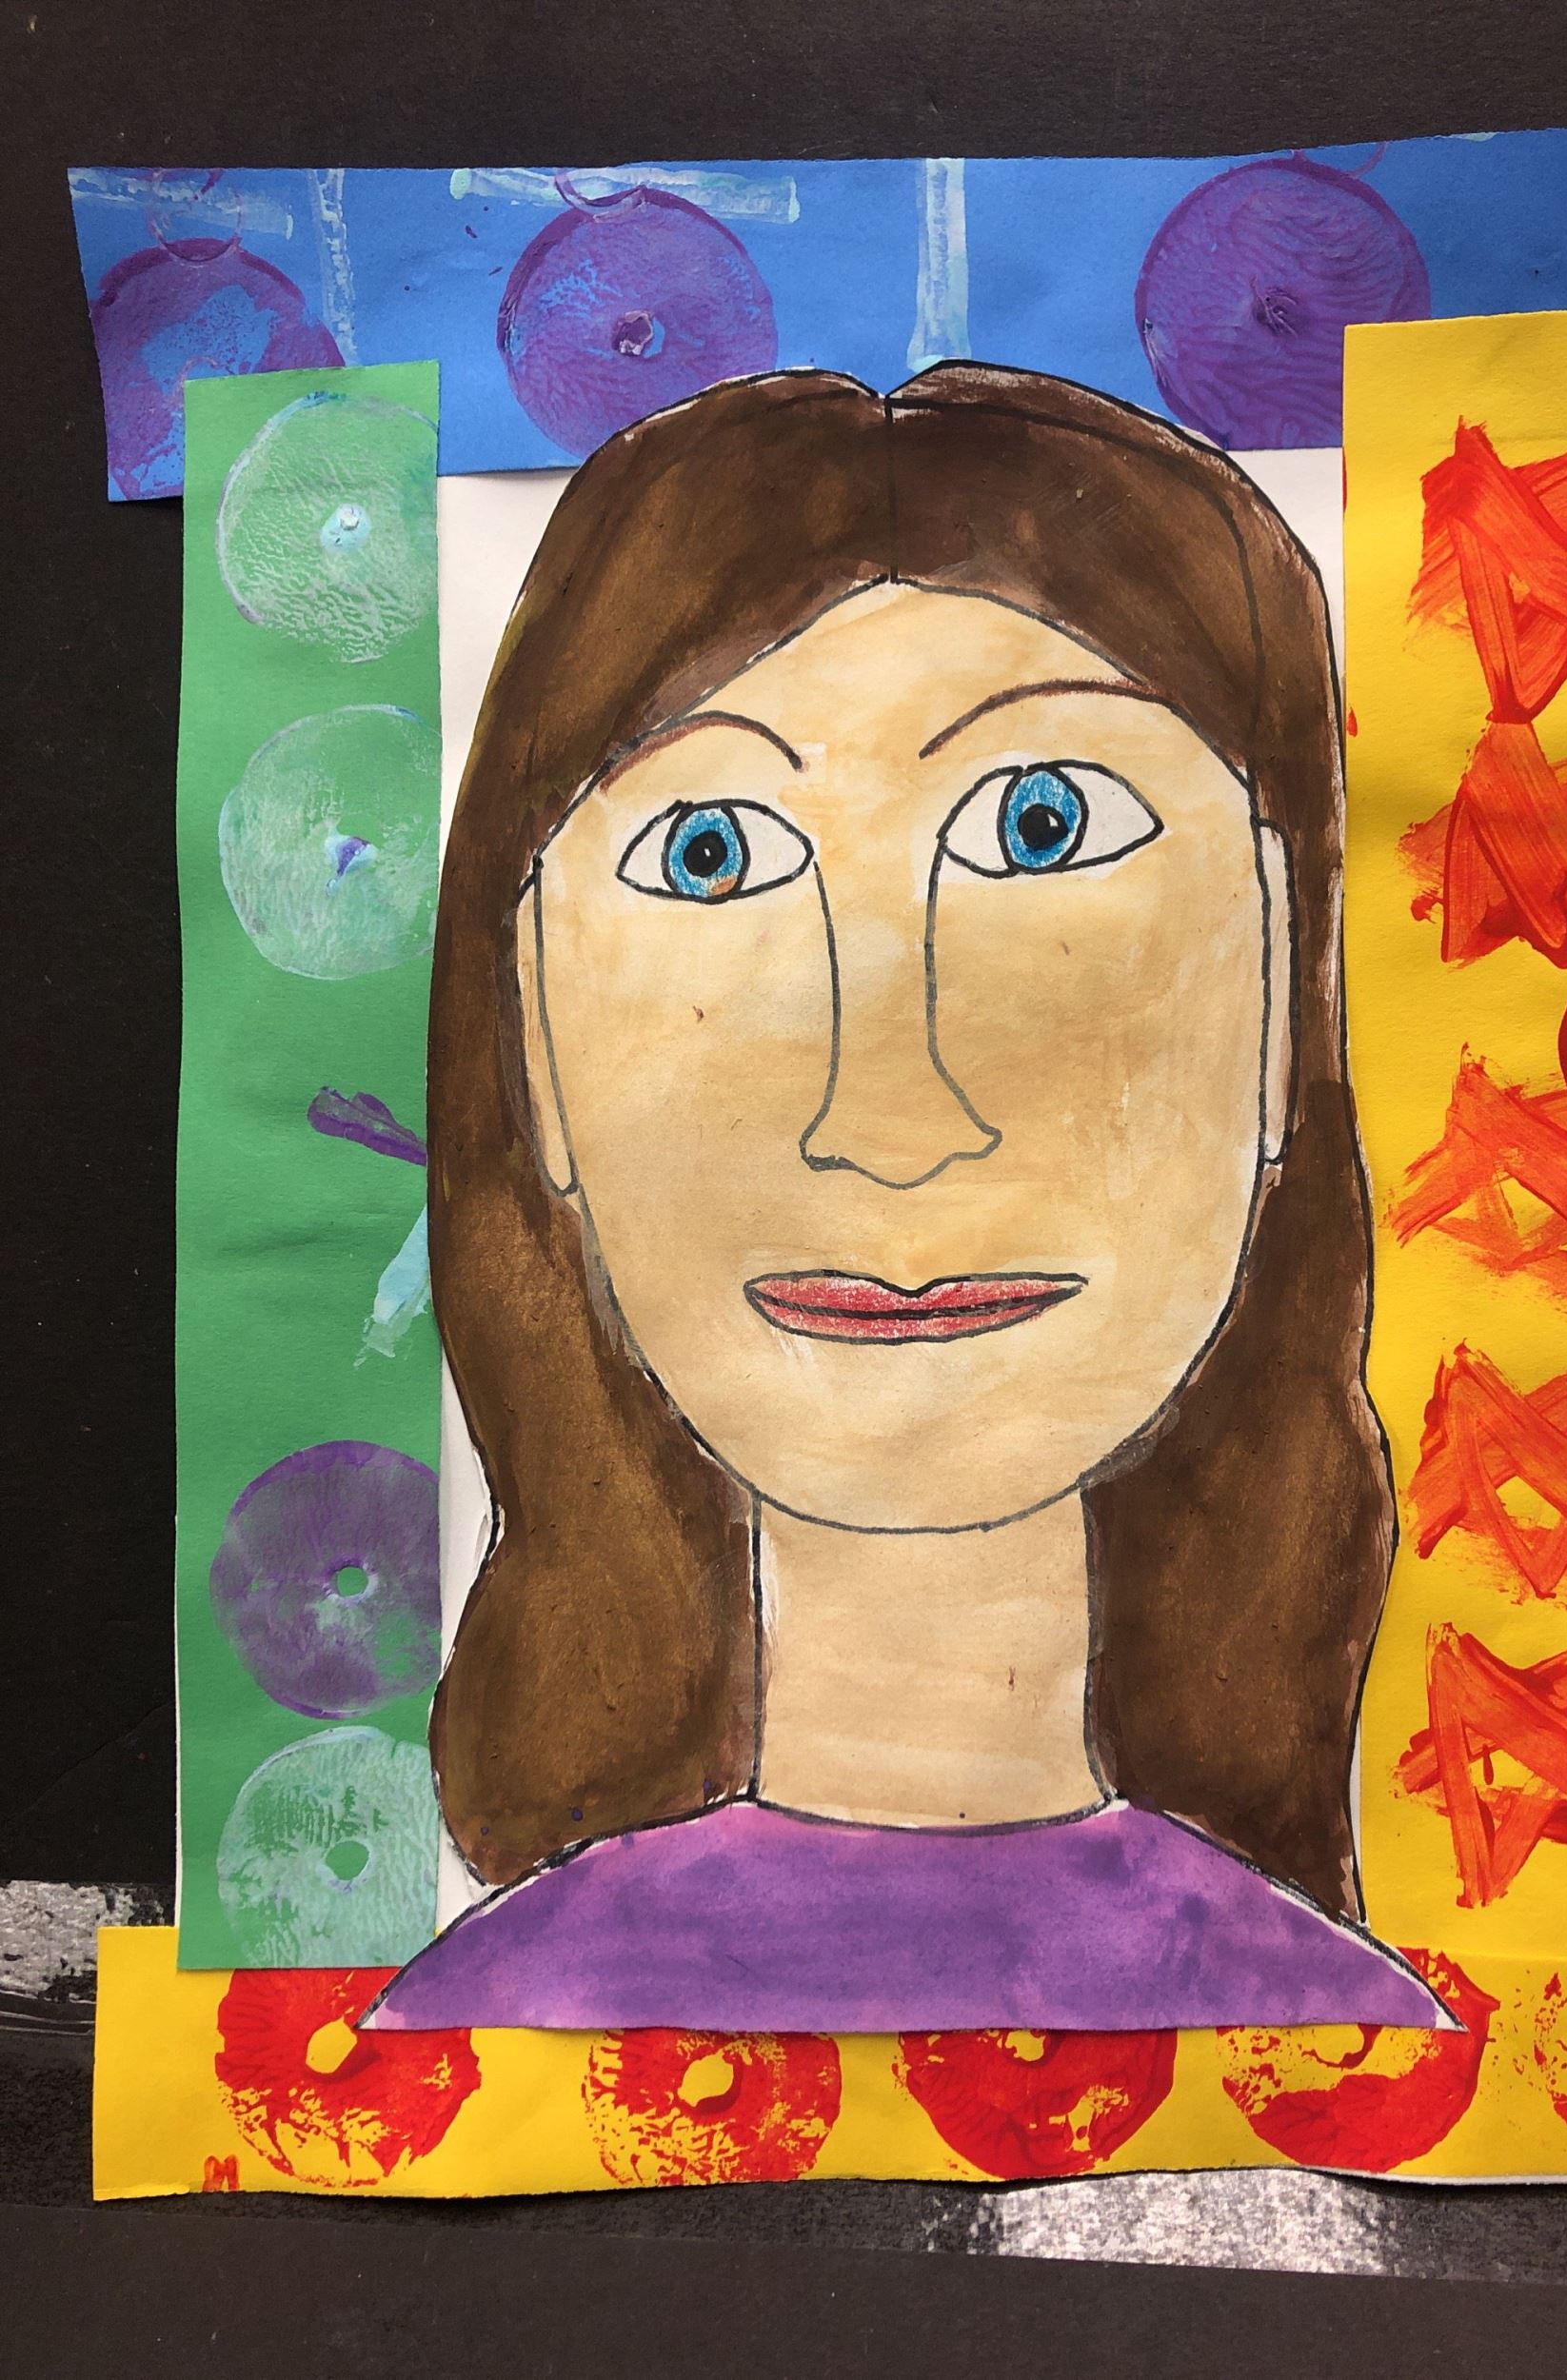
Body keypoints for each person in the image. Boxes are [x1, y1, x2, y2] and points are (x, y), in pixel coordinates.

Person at [367, 365, 1441, 2033]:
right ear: (533, 1048)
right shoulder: (455, 2049)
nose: (888, 1119)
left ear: (1290, 990)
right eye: (712, 852)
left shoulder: (1367, 2058)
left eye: (1043, 823)